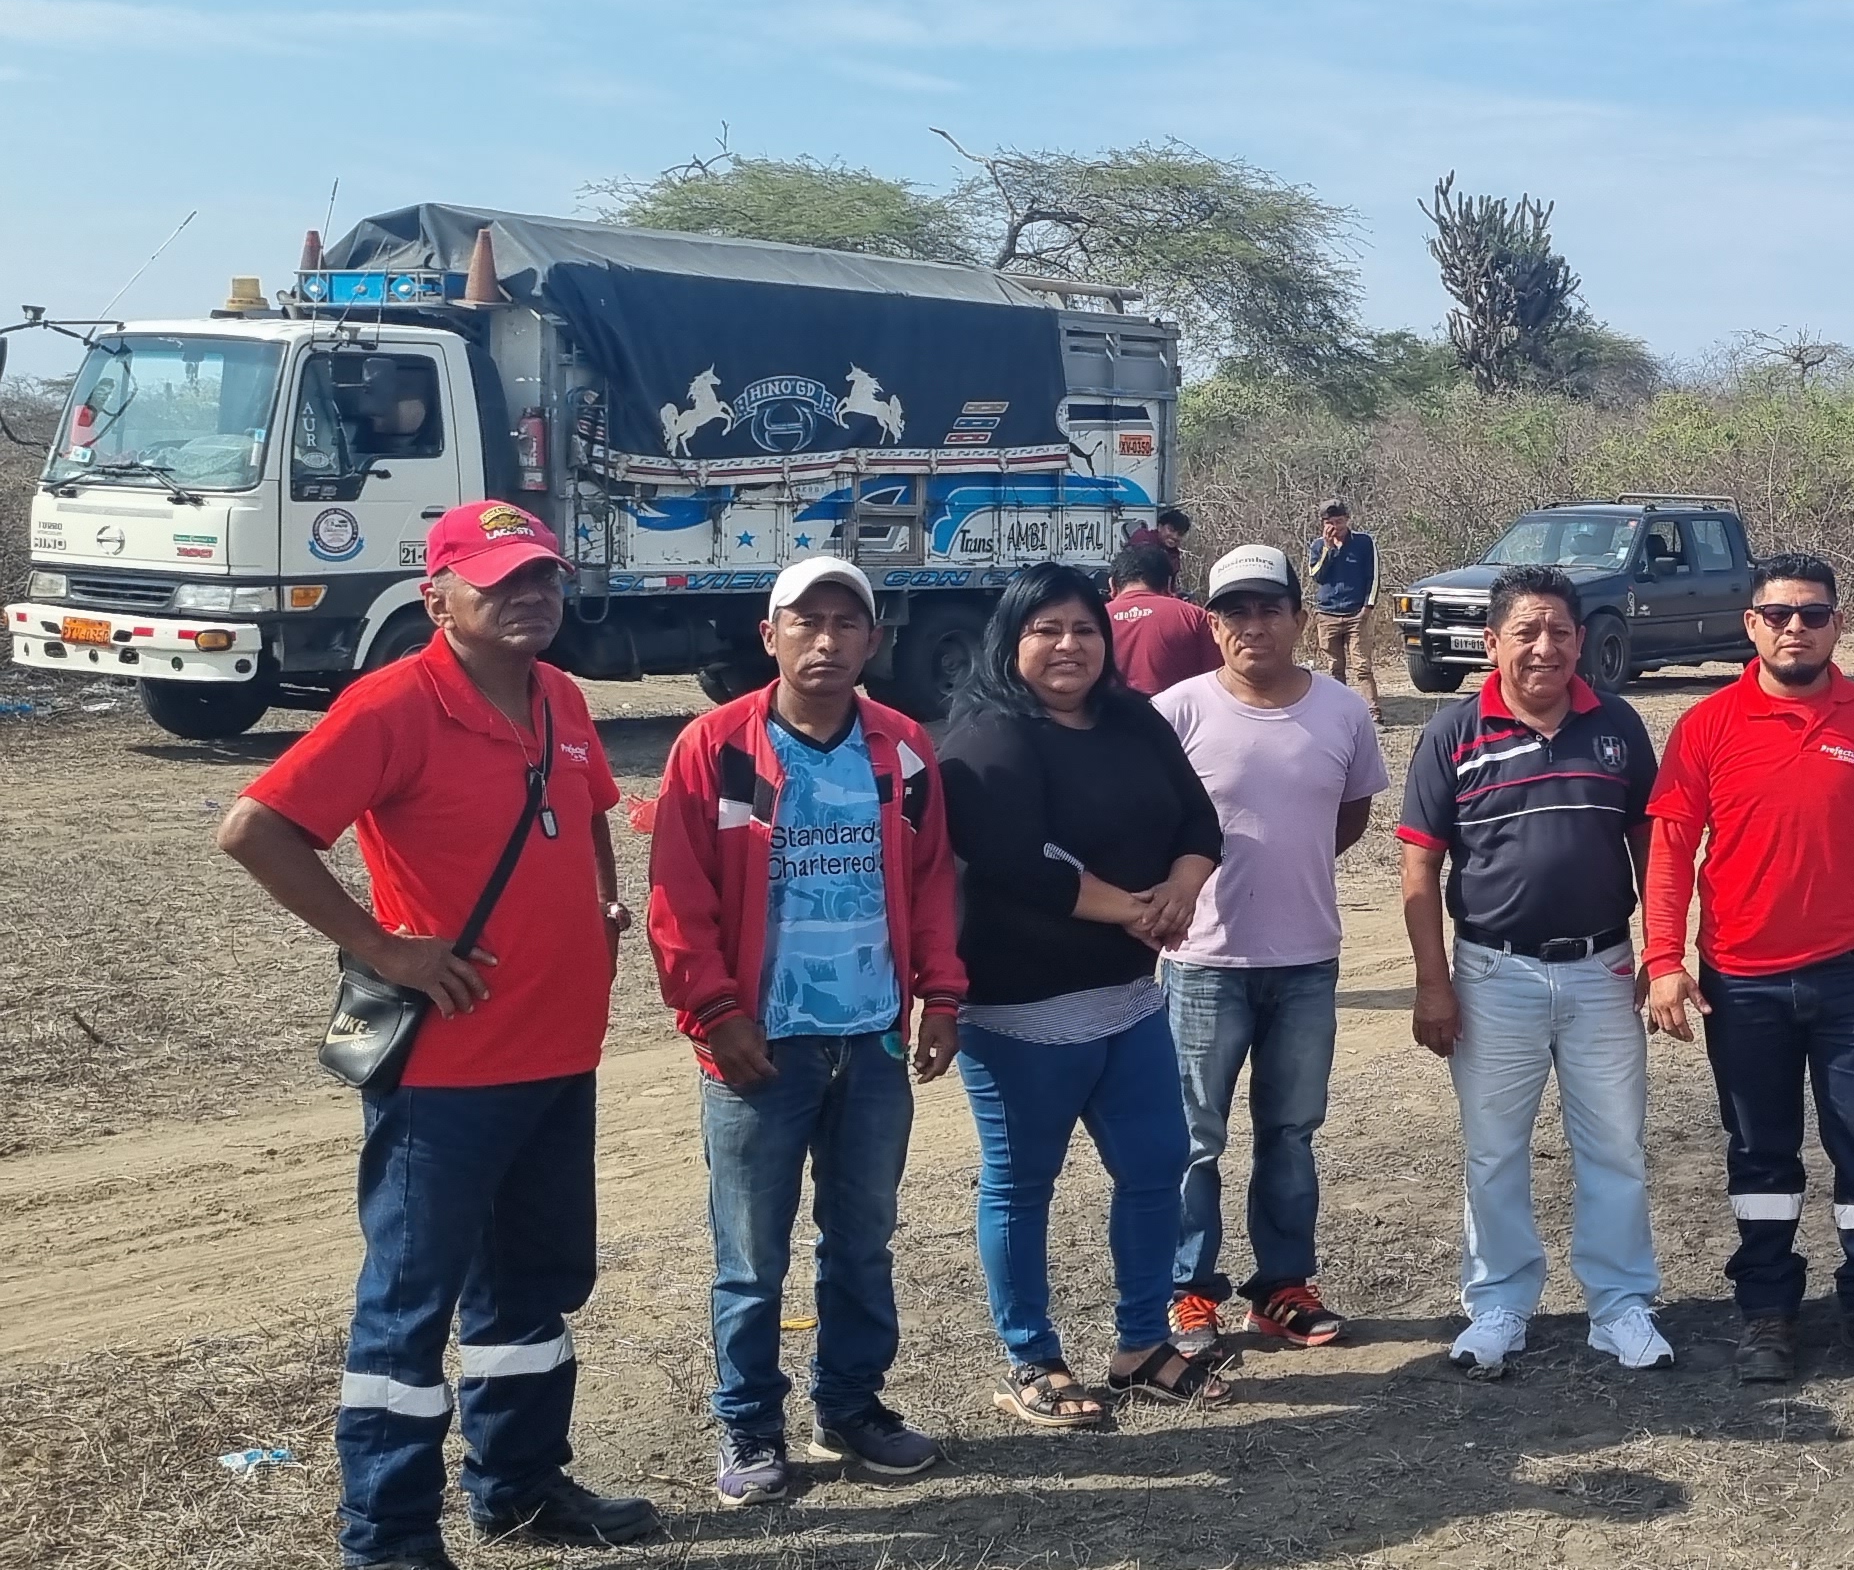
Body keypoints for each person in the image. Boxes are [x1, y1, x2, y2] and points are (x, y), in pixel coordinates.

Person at [213, 500, 658, 1567]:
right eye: (501, 582)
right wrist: (386, 947)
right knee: (409, 1309)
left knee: (533, 1289)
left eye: (542, 577)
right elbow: (254, 829)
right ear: (438, 598)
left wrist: (602, 902)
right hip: (447, 1070)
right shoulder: (393, 704)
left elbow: (590, 806)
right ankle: (388, 1537)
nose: (530, 597)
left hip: (560, 1051)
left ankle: (520, 1487)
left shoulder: (559, 694)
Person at [644, 557, 968, 1505]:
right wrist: (715, 1014)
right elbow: (678, 898)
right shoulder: (715, 748)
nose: (826, 640)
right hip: (758, 1049)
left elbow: (931, 881)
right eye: (806, 621)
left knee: (862, 1242)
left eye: (846, 623)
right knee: (751, 1260)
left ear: (874, 640)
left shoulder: (903, 748)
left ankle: (851, 1408)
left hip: (871, 1042)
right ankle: (749, 1427)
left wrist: (942, 998)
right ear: (770, 635)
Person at [937, 562, 1232, 1428]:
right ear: (1010, 640)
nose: (1068, 645)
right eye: (1046, 629)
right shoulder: (987, 738)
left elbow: (1199, 821)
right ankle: (1032, 1359)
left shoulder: (1132, 717)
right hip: (1020, 1009)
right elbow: (1018, 862)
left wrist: (1182, 888)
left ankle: (1141, 1345)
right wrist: (1140, 912)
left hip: (1129, 1000)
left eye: (1084, 629)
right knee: (1022, 1184)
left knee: (1155, 1167)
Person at [1643, 553, 1854, 1383]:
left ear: (1837, 624)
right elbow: (1670, 851)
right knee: (1760, 1153)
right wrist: (1664, 958)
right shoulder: (1706, 726)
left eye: (1813, 614)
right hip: (1741, 984)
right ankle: (1767, 1313)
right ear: (1752, 625)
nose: (1795, 629)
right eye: (1778, 615)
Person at [1397, 564, 1670, 1378]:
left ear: (1581, 641)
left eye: (1559, 631)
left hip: (1602, 970)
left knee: (1615, 1146)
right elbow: (1419, 869)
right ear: (1492, 643)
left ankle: (1620, 1306)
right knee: (1493, 1151)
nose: (1544, 647)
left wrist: (1663, 954)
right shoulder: (1453, 734)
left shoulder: (1617, 726)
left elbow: (1649, 845)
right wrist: (1433, 983)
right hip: (1492, 974)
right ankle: (1499, 1305)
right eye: (1526, 631)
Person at [1152, 544, 1386, 1354]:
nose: (1253, 626)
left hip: (1307, 960)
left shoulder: (1342, 711)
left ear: (1298, 617)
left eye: (1268, 609)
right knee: (1194, 1138)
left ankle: (1282, 1288)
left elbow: (1347, 816)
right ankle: (1187, 1291)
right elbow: (1147, 823)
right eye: (1235, 612)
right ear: (1213, 626)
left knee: (1290, 1131)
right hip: (1202, 964)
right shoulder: (1176, 712)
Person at [1105, 540, 1221, 697]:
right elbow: (1217, 679)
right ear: (1169, 583)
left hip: (1108, 711)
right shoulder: (1194, 616)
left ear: (1112, 584)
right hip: (1178, 712)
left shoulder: (1094, 618)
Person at [1304, 499, 1385, 702]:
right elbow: (1317, 576)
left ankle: (1373, 711)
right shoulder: (1317, 546)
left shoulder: (1364, 542)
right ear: (1323, 524)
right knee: (1335, 668)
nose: (1335, 527)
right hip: (1327, 614)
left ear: (1347, 519)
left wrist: (1368, 607)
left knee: (1362, 667)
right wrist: (1328, 549)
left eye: (1339, 521)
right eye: (1330, 523)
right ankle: (1340, 709)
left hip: (1356, 613)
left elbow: (1373, 576)